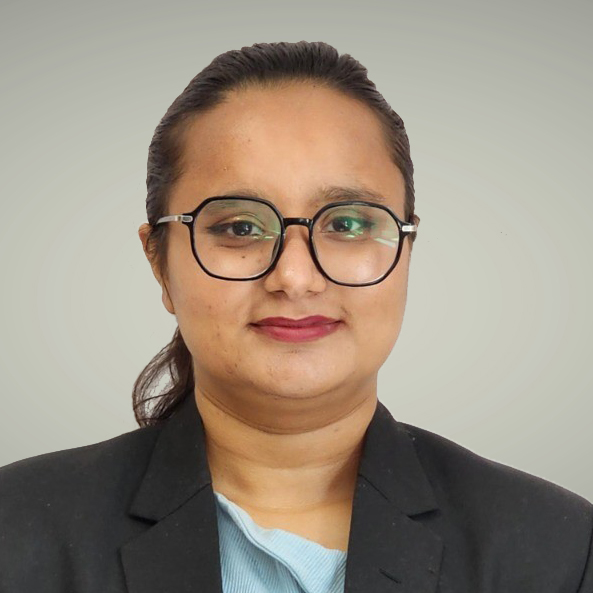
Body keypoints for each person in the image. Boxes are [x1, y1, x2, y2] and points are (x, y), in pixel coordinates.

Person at [0, 40, 591, 593]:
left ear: (407, 250)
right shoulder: (17, 531)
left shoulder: (557, 551)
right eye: (240, 227)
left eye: (348, 223)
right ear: (160, 263)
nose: (295, 277)